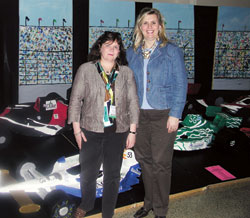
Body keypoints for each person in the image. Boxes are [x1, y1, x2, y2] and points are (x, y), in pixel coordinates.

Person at [68, 31, 139, 218]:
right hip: (90, 130)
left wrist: (132, 131)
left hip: (118, 131)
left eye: (116, 47)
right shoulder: (86, 69)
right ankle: (87, 203)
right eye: (108, 45)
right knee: (88, 173)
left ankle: (108, 212)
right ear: (100, 47)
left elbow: (133, 102)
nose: (112, 49)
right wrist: (76, 130)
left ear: (119, 52)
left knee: (113, 175)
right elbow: (75, 100)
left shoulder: (126, 73)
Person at [126, 8, 188, 218]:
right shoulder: (131, 52)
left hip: (164, 114)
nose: (149, 27)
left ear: (160, 26)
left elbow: (181, 85)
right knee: (145, 162)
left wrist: (175, 114)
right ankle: (149, 202)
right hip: (139, 116)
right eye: (145, 23)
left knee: (161, 164)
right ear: (139, 27)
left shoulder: (171, 51)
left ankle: (160, 210)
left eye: (153, 23)